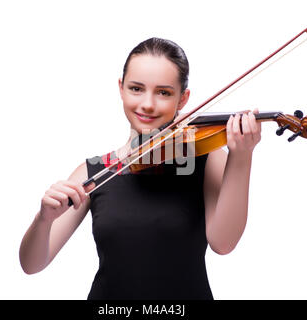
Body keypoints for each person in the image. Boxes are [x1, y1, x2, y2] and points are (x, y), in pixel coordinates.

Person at [19, 37, 261, 299]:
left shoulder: (207, 158)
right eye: (136, 88)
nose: (147, 103)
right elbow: (32, 265)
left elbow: (223, 243)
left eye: (164, 92)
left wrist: (242, 155)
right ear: (121, 88)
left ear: (183, 99)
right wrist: (43, 219)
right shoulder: (95, 171)